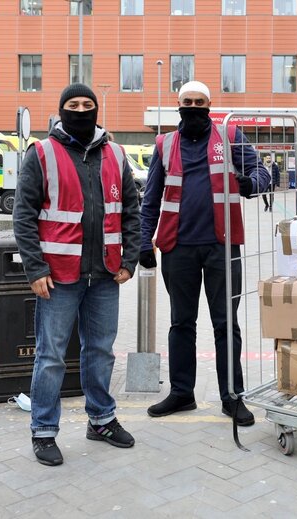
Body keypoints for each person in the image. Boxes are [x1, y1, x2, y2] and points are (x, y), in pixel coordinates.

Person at [13, 83, 141, 467]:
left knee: (100, 352)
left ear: (97, 110)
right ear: (61, 110)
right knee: (50, 357)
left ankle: (100, 419)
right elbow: (23, 216)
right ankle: (43, 431)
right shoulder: (42, 153)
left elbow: (132, 213)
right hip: (58, 276)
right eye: (73, 104)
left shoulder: (116, 154)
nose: (81, 110)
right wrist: (35, 268)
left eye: (88, 105)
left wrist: (130, 260)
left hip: (105, 274)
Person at [139, 80, 268, 426]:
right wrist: (142, 242)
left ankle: (232, 396)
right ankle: (182, 392)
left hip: (222, 246)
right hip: (177, 247)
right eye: (187, 102)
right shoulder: (164, 144)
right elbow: (151, 199)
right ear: (178, 105)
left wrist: (249, 184)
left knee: (226, 324)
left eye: (199, 102)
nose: (193, 107)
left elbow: (262, 172)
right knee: (181, 323)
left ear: (210, 104)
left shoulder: (229, 136)